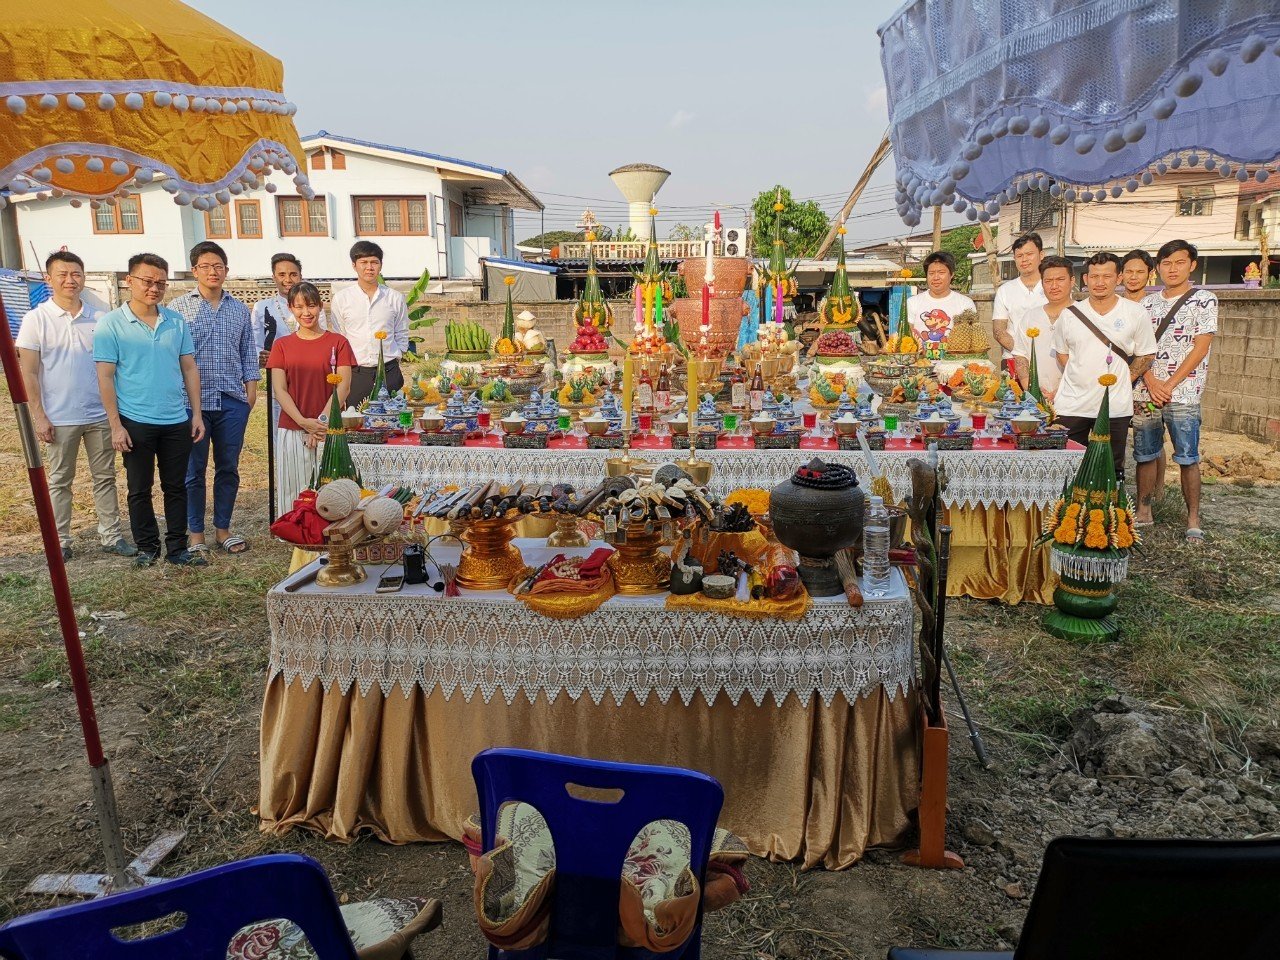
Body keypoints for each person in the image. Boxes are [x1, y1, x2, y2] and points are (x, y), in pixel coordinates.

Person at [16, 251, 135, 560]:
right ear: (49, 279)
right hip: (59, 416)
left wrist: (115, 416)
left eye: (76, 274)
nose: (70, 280)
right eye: (62, 274)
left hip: (99, 413)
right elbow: (28, 371)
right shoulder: (36, 319)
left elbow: (115, 367)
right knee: (59, 480)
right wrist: (39, 416)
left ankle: (111, 536)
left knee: (105, 477)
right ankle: (61, 541)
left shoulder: (102, 317)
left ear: (83, 277)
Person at [94, 253, 206, 567]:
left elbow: (189, 369)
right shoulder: (111, 324)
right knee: (139, 488)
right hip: (135, 420)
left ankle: (177, 549)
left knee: (176, 486)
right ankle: (147, 547)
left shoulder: (176, 321)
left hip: (175, 419)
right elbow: (105, 376)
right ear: (129, 281)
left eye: (160, 282)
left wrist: (195, 414)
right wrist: (116, 425)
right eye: (146, 281)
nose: (153, 288)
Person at [169, 242, 259, 556]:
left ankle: (223, 530)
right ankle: (196, 534)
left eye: (218, 266)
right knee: (193, 471)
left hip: (232, 399)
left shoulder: (238, 308)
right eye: (206, 266)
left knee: (228, 468)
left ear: (226, 270)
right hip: (190, 403)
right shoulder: (179, 308)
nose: (213, 271)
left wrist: (251, 386)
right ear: (194, 270)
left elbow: (248, 349)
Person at [1132, 240, 1217, 544]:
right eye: (1166, 263)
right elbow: (1138, 348)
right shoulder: (1146, 304)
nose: (1172, 269)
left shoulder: (1204, 300)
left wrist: (1168, 385)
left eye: (1179, 262)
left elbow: (1201, 346)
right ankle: (1143, 511)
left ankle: (1192, 517)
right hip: (1146, 392)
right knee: (1144, 454)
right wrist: (1152, 382)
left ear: (1192, 265)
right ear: (1158, 268)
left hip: (1184, 394)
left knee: (1187, 457)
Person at [1051, 252, 1157, 481]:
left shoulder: (1135, 312)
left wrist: (1122, 379)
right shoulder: (1069, 315)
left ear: (1118, 278)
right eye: (1094, 276)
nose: (1100, 282)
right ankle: (1067, 515)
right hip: (1071, 404)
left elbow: (1146, 354)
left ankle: (1106, 515)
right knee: (1066, 467)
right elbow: (1062, 354)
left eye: (1107, 276)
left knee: (1110, 469)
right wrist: (1081, 376)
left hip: (1114, 405)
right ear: (1085, 279)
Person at [266, 282, 356, 507]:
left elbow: (343, 387)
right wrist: (304, 423)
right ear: (290, 308)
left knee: (331, 491)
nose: (306, 313)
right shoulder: (282, 346)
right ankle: (295, 535)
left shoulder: (338, 342)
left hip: (330, 428)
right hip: (293, 426)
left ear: (321, 306)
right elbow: (280, 390)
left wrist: (320, 425)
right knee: (294, 489)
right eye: (299, 307)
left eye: (312, 306)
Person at [329, 241, 408, 405]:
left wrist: (396, 356)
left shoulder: (395, 298)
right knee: (357, 424)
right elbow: (340, 337)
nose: (369, 267)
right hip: (356, 374)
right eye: (363, 262)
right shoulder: (342, 299)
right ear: (354, 265)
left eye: (374, 262)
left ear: (380, 265)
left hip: (389, 372)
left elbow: (401, 333)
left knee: (393, 423)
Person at [1012, 254, 1075, 400]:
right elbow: (1020, 357)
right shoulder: (1030, 316)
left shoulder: (1082, 315)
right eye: (1048, 281)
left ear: (1072, 281)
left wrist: (1060, 392)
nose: (1054, 286)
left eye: (1060, 280)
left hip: (1074, 398)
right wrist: (1033, 390)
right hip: (1037, 399)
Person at [251, 253, 328, 364]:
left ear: (300, 276)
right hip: (274, 366)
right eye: (282, 275)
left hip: (308, 364)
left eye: (293, 274)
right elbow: (255, 342)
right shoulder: (261, 307)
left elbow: (321, 338)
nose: (288, 279)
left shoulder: (313, 307)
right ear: (274, 278)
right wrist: (262, 356)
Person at [992, 233, 1047, 375]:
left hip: (1049, 360)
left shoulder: (1053, 287)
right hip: (1012, 360)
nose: (1024, 260)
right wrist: (1022, 353)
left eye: (1029, 254)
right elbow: (999, 331)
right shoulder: (1005, 290)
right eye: (1019, 256)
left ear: (1041, 255)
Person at [905, 251, 975, 350]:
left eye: (941, 273)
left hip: (953, 362)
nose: (936, 277)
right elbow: (906, 333)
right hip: (921, 363)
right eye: (931, 273)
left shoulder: (965, 303)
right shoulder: (912, 302)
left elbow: (971, 337)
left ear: (951, 275)